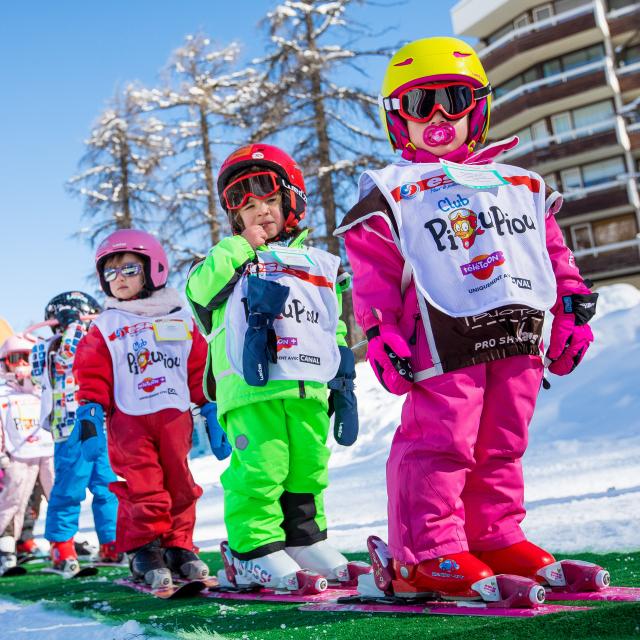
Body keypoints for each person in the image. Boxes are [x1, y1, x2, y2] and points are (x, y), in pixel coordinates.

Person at [335, 37, 599, 600]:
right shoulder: (393, 190)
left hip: (518, 330)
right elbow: (374, 269)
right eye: (420, 103)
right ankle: (424, 552)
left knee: (503, 438)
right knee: (442, 438)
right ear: (396, 119)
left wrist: (571, 307)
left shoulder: (519, 184)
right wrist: (381, 331)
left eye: (453, 99)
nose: (437, 117)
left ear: (476, 108)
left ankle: (493, 533)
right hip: (442, 333)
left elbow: (550, 254)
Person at [186, 143, 361, 591]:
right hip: (252, 391)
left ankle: (304, 539)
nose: (260, 213)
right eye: (247, 209)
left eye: (269, 201)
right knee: (261, 470)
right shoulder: (225, 263)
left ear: (291, 204)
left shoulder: (317, 264)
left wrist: (342, 377)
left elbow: (331, 324)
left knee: (308, 466)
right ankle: (253, 548)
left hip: (306, 388)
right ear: (234, 219)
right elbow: (200, 293)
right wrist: (239, 248)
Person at [73, 229, 219, 590]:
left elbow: (198, 366)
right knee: (145, 487)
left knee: (181, 484)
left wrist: (210, 405)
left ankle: (179, 546)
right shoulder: (107, 324)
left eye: (128, 269)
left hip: (174, 417)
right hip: (129, 420)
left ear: (154, 269)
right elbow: (91, 369)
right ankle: (144, 549)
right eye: (110, 273)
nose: (118, 279)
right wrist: (90, 410)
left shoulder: (180, 318)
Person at [32, 291, 120, 574]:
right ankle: (61, 544)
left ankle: (112, 542)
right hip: (69, 429)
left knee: (107, 487)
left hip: (100, 427)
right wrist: (72, 327)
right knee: (70, 488)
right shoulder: (47, 349)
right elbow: (67, 358)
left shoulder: (96, 344)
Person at [0, 334, 54, 574]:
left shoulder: (42, 387)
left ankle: (62, 543)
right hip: (17, 454)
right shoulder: (3, 391)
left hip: (46, 450)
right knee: (14, 501)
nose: (21, 363)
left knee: (55, 497)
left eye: (27, 357)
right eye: (15, 357)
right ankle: (6, 547)